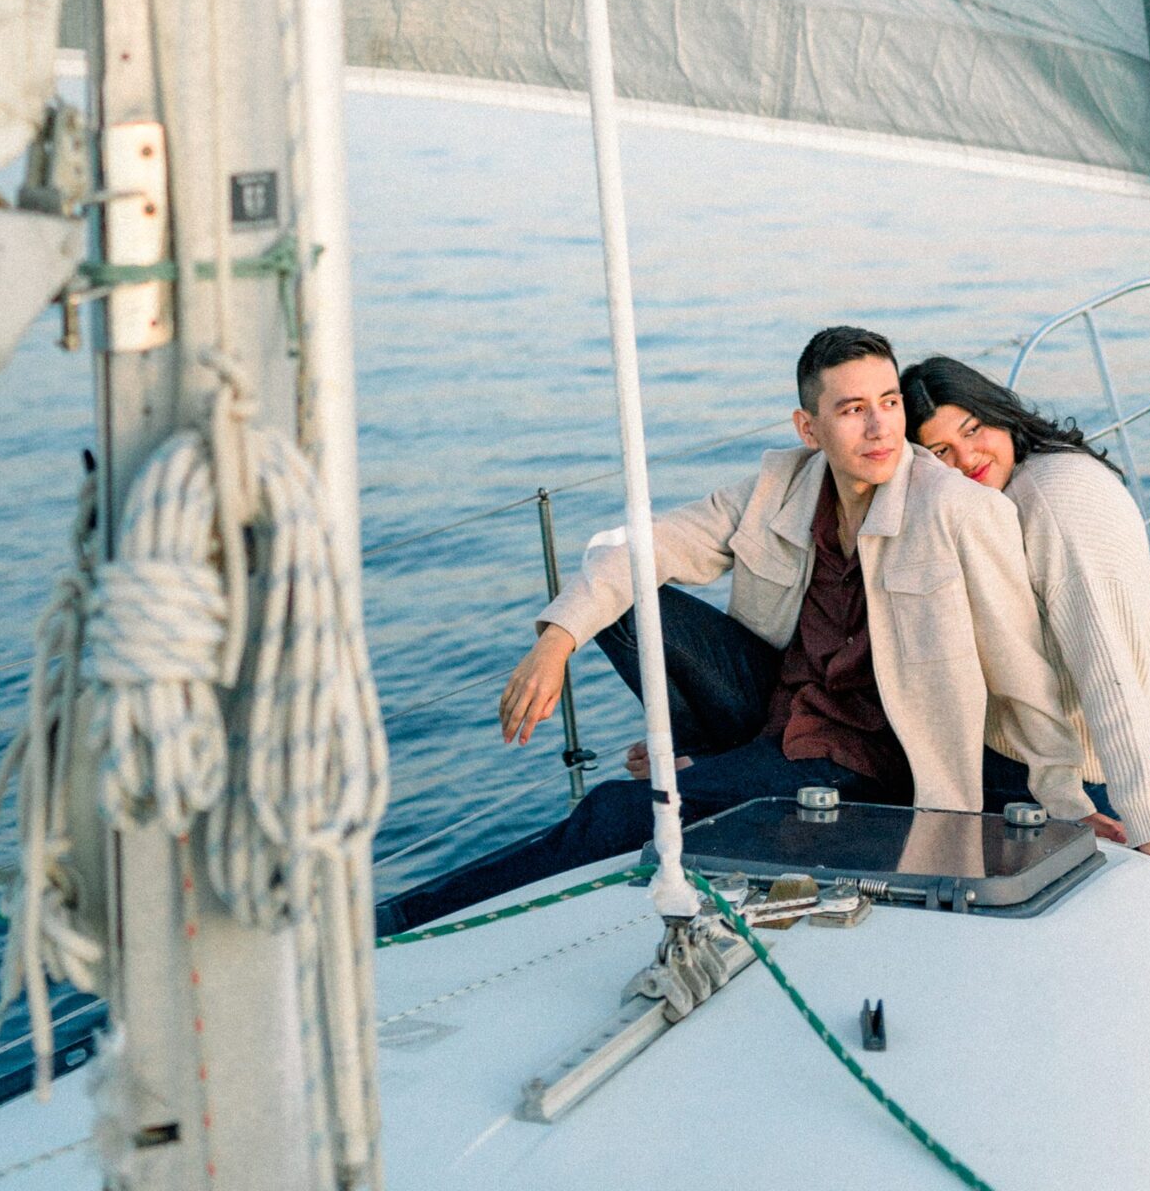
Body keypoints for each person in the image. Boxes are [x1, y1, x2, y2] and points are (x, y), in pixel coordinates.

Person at [378, 327, 1090, 935]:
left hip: (860, 759)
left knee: (617, 809)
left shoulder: (959, 511)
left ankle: (403, 924)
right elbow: (634, 546)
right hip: (775, 716)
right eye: (851, 410)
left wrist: (1065, 809)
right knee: (628, 598)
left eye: (888, 404)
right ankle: (709, 763)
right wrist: (555, 640)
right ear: (808, 428)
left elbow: (1019, 669)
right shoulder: (778, 489)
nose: (878, 429)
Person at [901, 354, 1150, 896]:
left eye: (973, 429)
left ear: (999, 413)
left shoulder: (1049, 509)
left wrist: (1147, 825)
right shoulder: (1052, 466)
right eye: (941, 451)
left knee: (883, 750)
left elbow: (1106, 662)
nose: (966, 458)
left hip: (1096, 773)